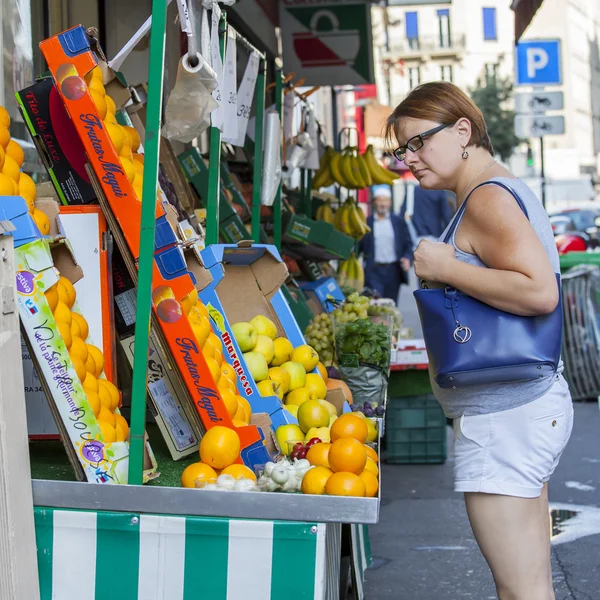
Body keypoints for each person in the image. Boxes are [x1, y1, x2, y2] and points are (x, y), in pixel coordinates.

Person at [385, 81, 573, 600]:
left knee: (522, 592)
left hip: (505, 416)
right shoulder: (488, 191)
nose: (410, 159)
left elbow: (539, 292)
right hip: (516, 409)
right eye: (403, 149)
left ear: (462, 130)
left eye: (418, 143)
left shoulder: (488, 197)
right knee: (530, 587)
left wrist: (445, 265)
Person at [359, 184, 413, 302]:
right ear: (374, 202)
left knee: (391, 305)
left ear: (390, 202)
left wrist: (408, 258)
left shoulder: (398, 222)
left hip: (393, 272)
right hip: (374, 272)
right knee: (375, 304)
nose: (383, 204)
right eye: (380, 200)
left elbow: (409, 245)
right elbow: (358, 247)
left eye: (386, 200)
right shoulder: (366, 223)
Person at [401, 182, 454, 246]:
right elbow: (446, 215)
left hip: (415, 236)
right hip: (435, 236)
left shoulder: (412, 191)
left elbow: (402, 213)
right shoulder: (439, 191)